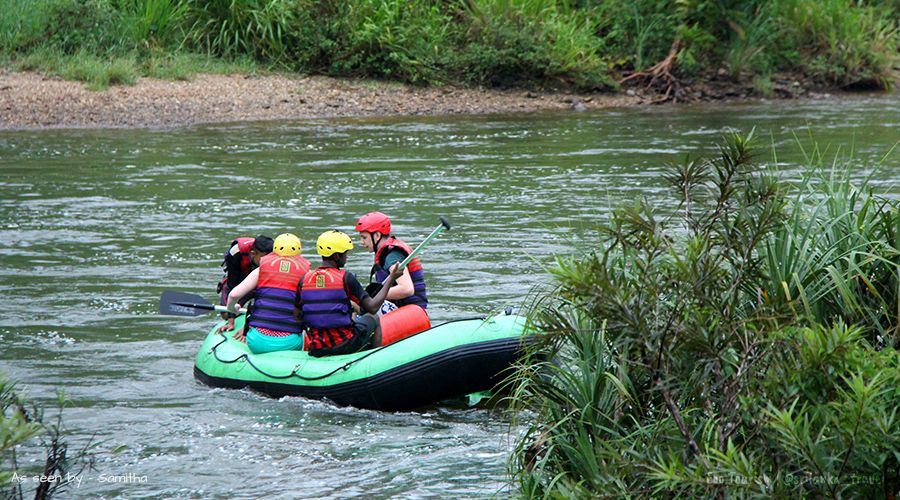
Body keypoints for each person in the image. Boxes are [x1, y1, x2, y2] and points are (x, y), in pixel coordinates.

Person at [296, 230, 403, 357]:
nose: (346, 257)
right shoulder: (345, 278)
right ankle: (374, 359)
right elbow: (373, 307)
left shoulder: (304, 280)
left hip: (317, 348)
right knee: (373, 318)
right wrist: (391, 278)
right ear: (336, 256)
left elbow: (298, 315)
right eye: (344, 253)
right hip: (344, 345)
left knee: (351, 312)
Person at [225, 233, 311, 354]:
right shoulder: (307, 274)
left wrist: (232, 310)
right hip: (289, 344)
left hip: (256, 342)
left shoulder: (260, 269)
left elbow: (233, 295)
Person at [354, 212, 428, 313]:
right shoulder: (386, 252)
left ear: (377, 235)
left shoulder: (392, 256)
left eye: (364, 237)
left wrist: (374, 297)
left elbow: (407, 289)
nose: (361, 242)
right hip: (404, 309)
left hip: (412, 313)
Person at [216, 235, 274, 333]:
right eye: (264, 259)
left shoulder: (275, 254)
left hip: (262, 280)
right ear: (253, 254)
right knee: (226, 314)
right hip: (239, 276)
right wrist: (231, 320)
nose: (268, 262)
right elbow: (232, 284)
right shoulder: (235, 253)